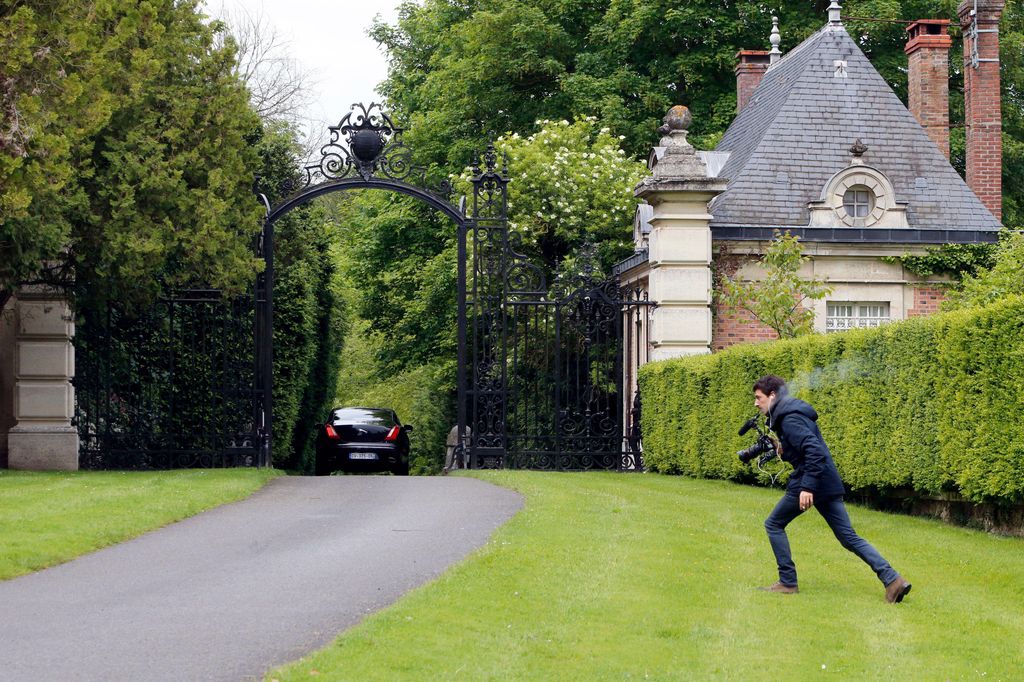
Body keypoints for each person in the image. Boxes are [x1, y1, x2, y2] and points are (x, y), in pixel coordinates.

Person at [752, 374, 912, 603]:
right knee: (848, 537)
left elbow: (814, 452)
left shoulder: (789, 419)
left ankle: (787, 582)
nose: (756, 403)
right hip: (824, 481)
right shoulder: (792, 414)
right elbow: (804, 449)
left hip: (811, 481)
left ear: (773, 395)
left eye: (759, 397)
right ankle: (893, 580)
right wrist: (782, 449)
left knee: (774, 524)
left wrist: (807, 488)